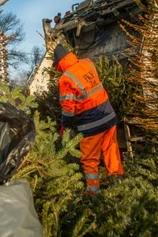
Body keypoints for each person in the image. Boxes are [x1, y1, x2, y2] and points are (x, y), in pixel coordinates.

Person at [52, 43, 124, 195]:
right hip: (108, 115)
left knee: (90, 159)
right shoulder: (87, 63)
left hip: (91, 123)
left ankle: (93, 192)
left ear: (59, 63)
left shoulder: (65, 79)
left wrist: (66, 127)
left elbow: (68, 109)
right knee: (111, 150)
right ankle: (118, 184)